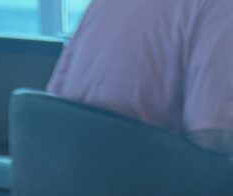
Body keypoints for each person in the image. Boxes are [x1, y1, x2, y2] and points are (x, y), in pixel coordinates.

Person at [48, 0, 233, 154]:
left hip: (63, 167)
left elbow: (54, 96)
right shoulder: (222, 7)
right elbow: (212, 138)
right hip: (143, 175)